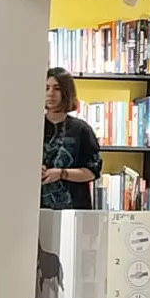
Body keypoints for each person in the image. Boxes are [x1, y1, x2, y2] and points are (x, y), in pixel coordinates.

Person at [42, 67, 103, 210]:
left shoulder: (81, 130)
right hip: (34, 212)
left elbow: (92, 172)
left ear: (66, 92)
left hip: (73, 209)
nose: (50, 93)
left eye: (57, 88)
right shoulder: (31, 128)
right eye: (46, 88)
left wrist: (62, 173)